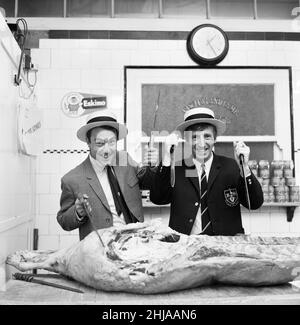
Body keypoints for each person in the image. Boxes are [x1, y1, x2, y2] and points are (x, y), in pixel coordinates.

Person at [149, 107, 264, 236]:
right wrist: (166, 158)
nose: (201, 143)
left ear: (215, 138)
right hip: (184, 248)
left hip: (225, 248)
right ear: (187, 140)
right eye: (194, 137)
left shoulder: (231, 166)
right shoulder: (177, 169)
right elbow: (157, 198)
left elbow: (254, 203)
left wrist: (245, 167)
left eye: (207, 136)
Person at [57, 109, 156, 240]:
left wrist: (153, 165)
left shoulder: (125, 159)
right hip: (100, 250)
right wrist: (78, 212)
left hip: (135, 242)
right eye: (99, 143)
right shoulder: (71, 179)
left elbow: (148, 182)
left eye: (112, 142)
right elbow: (64, 221)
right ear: (88, 141)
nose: (107, 150)